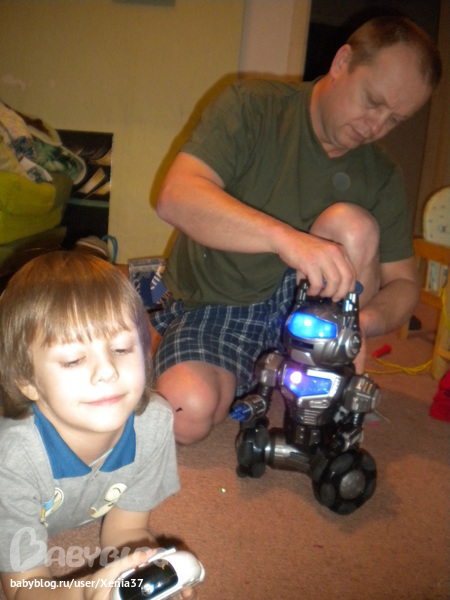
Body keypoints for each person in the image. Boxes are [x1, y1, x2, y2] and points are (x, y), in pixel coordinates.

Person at [149, 16, 442, 445]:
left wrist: (361, 323)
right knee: (184, 415)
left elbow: (403, 285)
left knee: (354, 225)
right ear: (342, 62)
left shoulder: (382, 174)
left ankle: (322, 388)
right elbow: (174, 197)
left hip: (314, 325)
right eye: (372, 101)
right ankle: (181, 343)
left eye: (394, 119)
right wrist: (286, 240)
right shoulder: (252, 106)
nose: (376, 126)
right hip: (218, 306)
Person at [0, 252, 193, 599]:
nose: (107, 371)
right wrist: (84, 593)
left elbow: (127, 530)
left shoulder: (153, 425)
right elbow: (23, 590)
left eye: (121, 349)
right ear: (26, 381)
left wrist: (142, 574)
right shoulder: (11, 459)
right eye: (73, 359)